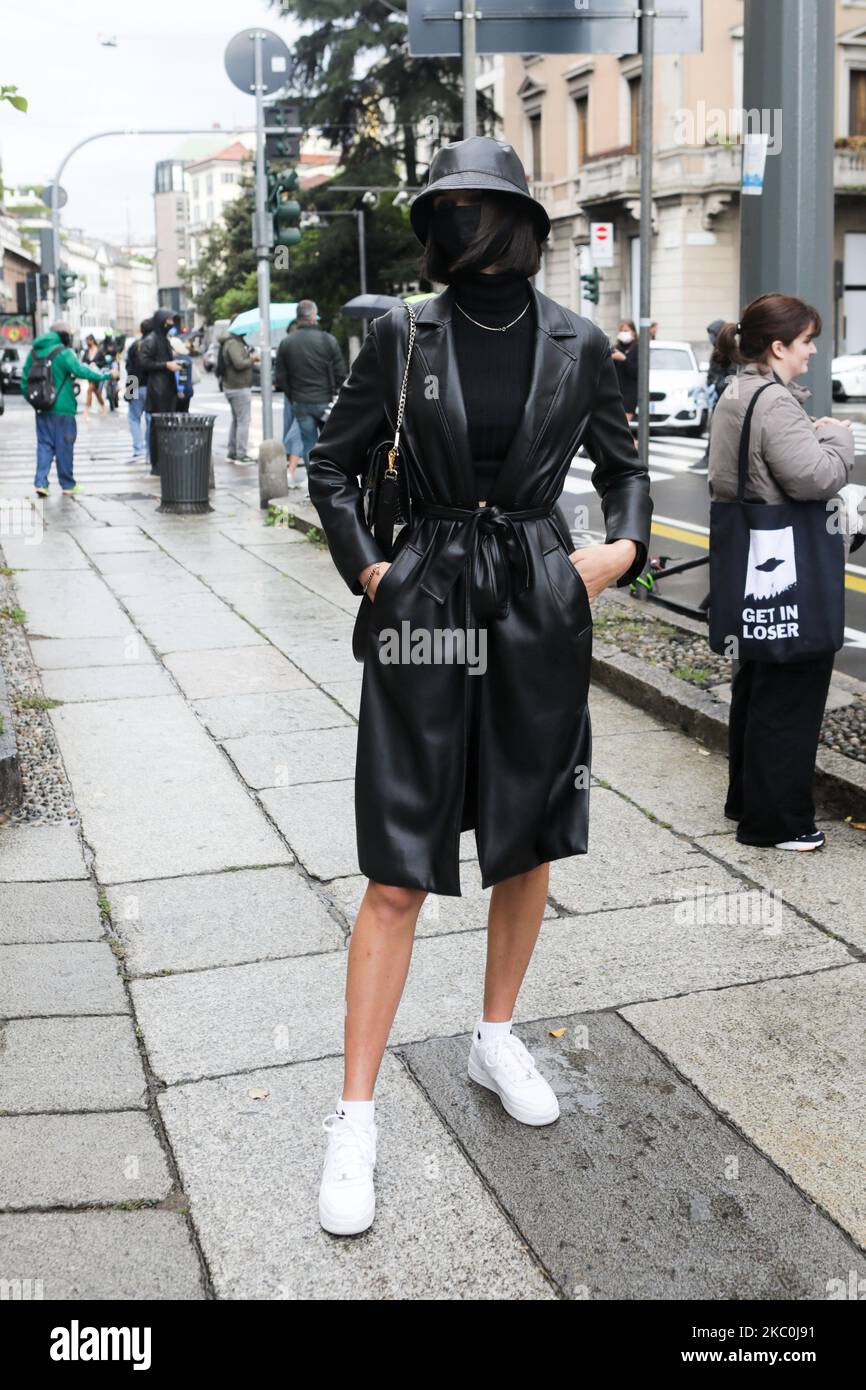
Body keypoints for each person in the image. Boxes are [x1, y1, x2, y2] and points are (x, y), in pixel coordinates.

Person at [307, 135, 652, 1236]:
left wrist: (621, 550)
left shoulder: (578, 340)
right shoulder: (397, 336)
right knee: (399, 857)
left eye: (476, 203)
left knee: (529, 829)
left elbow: (625, 463)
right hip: (423, 604)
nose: (459, 222)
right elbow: (332, 461)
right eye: (441, 206)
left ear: (516, 215)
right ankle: (352, 1115)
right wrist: (371, 565)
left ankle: (494, 1033)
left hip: (538, 606)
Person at [708, 293, 855, 852]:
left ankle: (748, 800)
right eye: (806, 341)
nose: (812, 352)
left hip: (756, 559)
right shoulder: (771, 400)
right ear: (777, 347)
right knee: (791, 688)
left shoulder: (738, 391)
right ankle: (779, 822)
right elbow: (815, 479)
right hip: (789, 562)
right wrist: (838, 434)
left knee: (761, 680)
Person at [20, 321, 113, 497]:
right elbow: (82, 371)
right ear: (63, 335)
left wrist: (36, 402)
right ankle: (68, 485)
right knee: (64, 446)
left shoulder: (33, 353)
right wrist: (107, 374)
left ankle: (41, 483)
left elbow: (24, 382)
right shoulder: (63, 353)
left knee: (44, 445)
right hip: (63, 409)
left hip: (41, 409)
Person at [276, 299, 347, 469]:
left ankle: (314, 486)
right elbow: (341, 373)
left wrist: (293, 396)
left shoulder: (286, 343)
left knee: (309, 444)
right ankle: (330, 484)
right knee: (330, 444)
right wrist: (335, 392)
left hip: (300, 401)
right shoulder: (328, 340)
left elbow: (281, 377)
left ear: (298, 318)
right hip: (326, 401)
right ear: (314, 316)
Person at [138, 309, 183, 474]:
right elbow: (135, 367)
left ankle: (148, 455)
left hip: (145, 387)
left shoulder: (161, 340)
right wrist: (130, 394)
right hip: (147, 388)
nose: (171, 324)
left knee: (139, 419)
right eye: (168, 321)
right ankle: (142, 452)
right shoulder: (150, 341)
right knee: (137, 419)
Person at [689, 318, 728, 473]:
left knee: (718, 431)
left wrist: (715, 386)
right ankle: (710, 459)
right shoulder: (717, 350)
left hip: (723, 398)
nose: (710, 336)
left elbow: (729, 376)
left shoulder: (728, 352)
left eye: (712, 333)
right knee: (716, 431)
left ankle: (710, 460)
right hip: (717, 397)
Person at [274, 320, 307, 486]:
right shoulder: (305, 346)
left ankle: (291, 470)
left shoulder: (285, 346)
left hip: (294, 396)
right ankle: (292, 470)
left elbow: (279, 374)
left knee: (296, 431)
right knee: (299, 432)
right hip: (301, 395)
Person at [221, 325, 258, 463]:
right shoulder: (233, 343)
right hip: (238, 387)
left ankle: (232, 452)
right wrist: (252, 359)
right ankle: (240, 454)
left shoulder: (233, 342)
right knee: (243, 421)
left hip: (234, 386)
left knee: (237, 420)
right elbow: (239, 363)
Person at [125, 319, 151, 462]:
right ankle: (149, 450)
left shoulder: (134, 346)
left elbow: (129, 368)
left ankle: (138, 449)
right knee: (149, 418)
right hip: (150, 386)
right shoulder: (153, 344)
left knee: (134, 418)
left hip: (134, 383)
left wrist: (128, 392)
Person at [611, 318, 639, 421]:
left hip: (630, 392)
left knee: (625, 423)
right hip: (616, 391)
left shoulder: (637, 348)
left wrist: (624, 359)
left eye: (626, 331)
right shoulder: (617, 347)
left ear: (633, 332)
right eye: (621, 331)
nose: (623, 333)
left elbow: (636, 371)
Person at [81, 334, 107, 418]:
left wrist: (95, 363)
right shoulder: (86, 351)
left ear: (92, 340)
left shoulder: (99, 351)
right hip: (90, 374)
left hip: (98, 374)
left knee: (89, 390)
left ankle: (86, 411)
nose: (87, 342)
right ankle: (104, 407)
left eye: (88, 341)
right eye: (86, 341)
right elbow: (84, 361)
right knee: (97, 393)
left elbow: (104, 363)